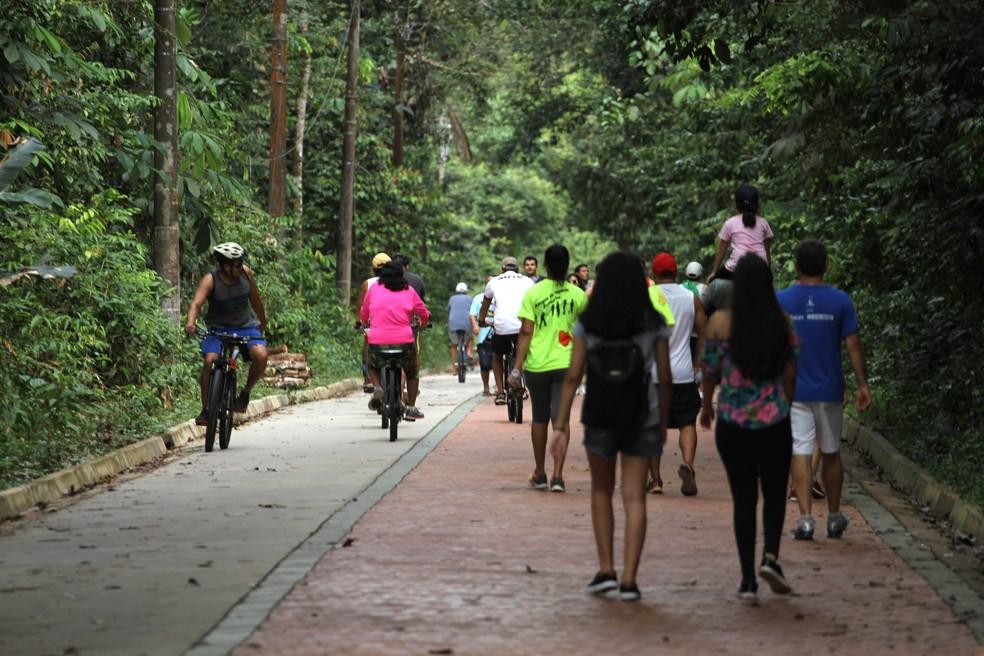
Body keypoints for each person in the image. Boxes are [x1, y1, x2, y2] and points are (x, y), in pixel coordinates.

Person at [551, 251, 672, 602]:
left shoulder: (589, 322)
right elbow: (664, 378)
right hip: (642, 415)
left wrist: (560, 425)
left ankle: (606, 570)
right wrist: (663, 421)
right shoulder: (653, 322)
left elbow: (574, 375)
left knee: (601, 491)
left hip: (600, 414)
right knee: (634, 496)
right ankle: (630, 580)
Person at [700, 254, 797, 605]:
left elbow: (709, 370)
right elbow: (790, 373)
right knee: (774, 494)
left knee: (743, 500)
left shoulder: (720, 323)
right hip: (774, 420)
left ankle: (747, 581)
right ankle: (770, 557)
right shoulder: (782, 322)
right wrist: (784, 405)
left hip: (733, 422)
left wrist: (707, 407)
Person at [778, 239, 871, 540]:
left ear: (796, 265)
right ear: (826, 265)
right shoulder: (840, 300)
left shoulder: (781, 300)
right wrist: (862, 384)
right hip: (830, 388)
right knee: (831, 452)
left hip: (794, 389)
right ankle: (833, 517)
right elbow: (853, 344)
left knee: (800, 450)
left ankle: (806, 520)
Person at [510, 244, 587, 492]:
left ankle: (540, 472)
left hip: (537, 365)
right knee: (560, 420)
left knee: (540, 417)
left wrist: (516, 368)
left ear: (544, 265)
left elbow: (526, 331)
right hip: (567, 364)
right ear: (567, 265)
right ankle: (558, 476)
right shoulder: (578, 295)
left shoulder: (534, 293)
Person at [185, 242, 269, 425]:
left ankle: (244, 394)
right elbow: (196, 304)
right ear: (225, 266)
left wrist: (263, 321)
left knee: (261, 355)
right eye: (237, 264)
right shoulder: (210, 280)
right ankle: (206, 409)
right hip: (218, 329)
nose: (240, 267)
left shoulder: (246, 274)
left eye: (241, 263)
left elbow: (255, 300)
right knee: (210, 361)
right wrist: (191, 322)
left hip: (245, 326)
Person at [646, 253, 706, 496]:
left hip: (653, 374)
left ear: (654, 273)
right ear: (676, 271)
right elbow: (704, 331)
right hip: (682, 373)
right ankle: (688, 464)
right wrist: (698, 362)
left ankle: (655, 480)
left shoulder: (646, 296)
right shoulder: (691, 297)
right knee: (687, 422)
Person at [359, 261, 430, 421]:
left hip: (378, 341)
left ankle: (377, 386)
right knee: (412, 372)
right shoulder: (409, 290)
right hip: (404, 341)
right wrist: (423, 323)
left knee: (372, 363)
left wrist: (364, 322)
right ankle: (411, 407)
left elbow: (364, 312)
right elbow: (423, 312)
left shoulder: (374, 289)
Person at [478, 257, 535, 406]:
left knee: (497, 355)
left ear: (502, 269)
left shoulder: (494, 282)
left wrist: (481, 320)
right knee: (524, 353)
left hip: (502, 327)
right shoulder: (528, 281)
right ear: (518, 269)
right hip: (523, 327)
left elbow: (485, 305)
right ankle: (520, 380)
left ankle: (500, 392)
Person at [708, 185, 774, 282]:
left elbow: (722, 250)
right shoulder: (763, 222)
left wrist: (714, 272)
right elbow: (767, 250)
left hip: (737, 266)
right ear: (756, 204)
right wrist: (768, 270)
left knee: (714, 283)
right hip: (760, 266)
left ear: (737, 205)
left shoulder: (730, 223)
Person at [355, 252, 392, 393]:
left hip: (373, 324)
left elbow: (361, 307)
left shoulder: (368, 284)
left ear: (373, 269)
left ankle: (369, 379)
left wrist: (358, 321)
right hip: (395, 325)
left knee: (368, 347)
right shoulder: (398, 283)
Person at [470, 275, 496, 395]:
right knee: (484, 364)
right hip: (483, 335)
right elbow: (472, 314)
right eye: (489, 282)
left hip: (499, 333)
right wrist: (475, 326)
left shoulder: (501, 297)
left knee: (499, 361)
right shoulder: (478, 298)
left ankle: (499, 387)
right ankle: (486, 387)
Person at [448, 282, 474, 372]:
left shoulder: (452, 299)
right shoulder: (470, 298)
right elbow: (473, 312)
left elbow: (449, 310)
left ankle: (454, 368)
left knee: (454, 345)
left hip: (453, 323)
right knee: (470, 338)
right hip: (467, 323)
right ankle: (469, 351)